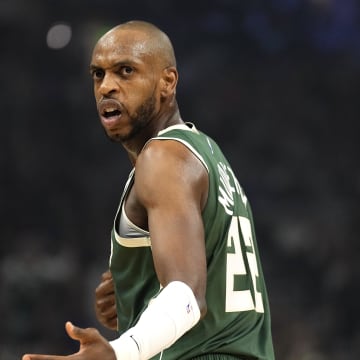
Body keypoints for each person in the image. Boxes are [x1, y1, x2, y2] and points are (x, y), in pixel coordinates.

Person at [22, 20, 275, 360]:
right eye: (98, 74)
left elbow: (186, 297)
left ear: (167, 82)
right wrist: (135, 288)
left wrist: (118, 352)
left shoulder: (162, 157)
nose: (107, 86)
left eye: (126, 71)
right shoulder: (205, 152)